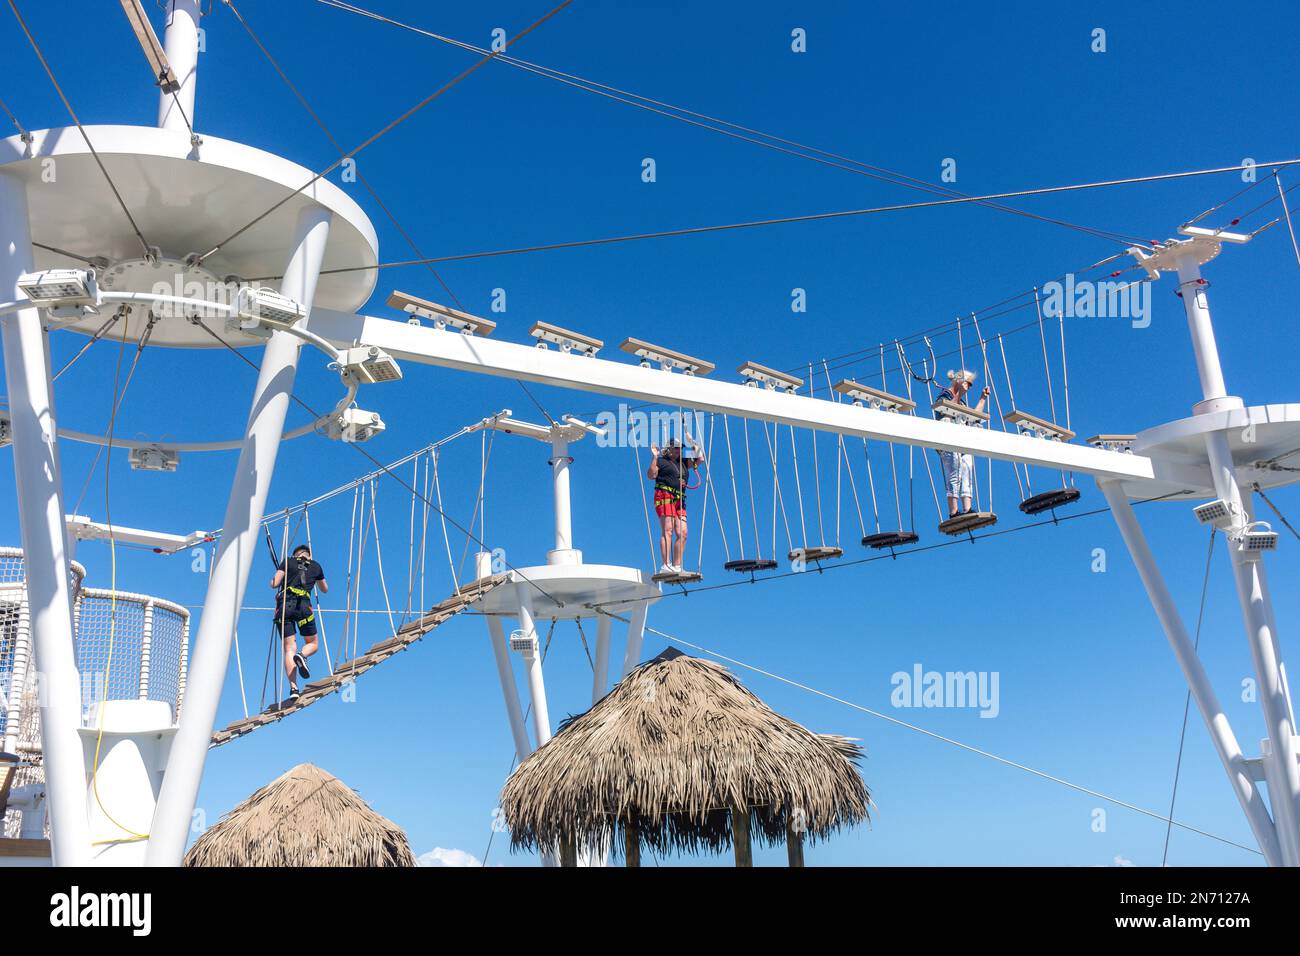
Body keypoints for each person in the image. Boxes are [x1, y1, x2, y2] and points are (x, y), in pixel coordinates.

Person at [270, 544, 328, 700]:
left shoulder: (288, 561)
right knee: (313, 643)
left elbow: (275, 583)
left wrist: (278, 578)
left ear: (295, 554)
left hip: (284, 606)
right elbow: (325, 589)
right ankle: (302, 655)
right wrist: (314, 577)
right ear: (308, 555)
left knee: (289, 648)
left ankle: (294, 689)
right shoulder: (316, 566)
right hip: (303, 606)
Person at [933, 369, 990, 518]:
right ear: (958, 380)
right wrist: (959, 393)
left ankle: (967, 508)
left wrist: (982, 398)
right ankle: (953, 511)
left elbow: (973, 417)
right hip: (949, 440)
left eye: (970, 385)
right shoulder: (945, 395)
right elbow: (948, 409)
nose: (969, 387)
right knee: (954, 472)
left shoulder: (962, 402)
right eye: (968, 383)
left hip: (963, 440)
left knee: (967, 469)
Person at [647, 436, 704, 575]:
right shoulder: (661, 461)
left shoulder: (684, 463)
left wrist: (691, 442)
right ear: (669, 449)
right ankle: (666, 565)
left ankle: (677, 566)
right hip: (665, 495)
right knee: (668, 530)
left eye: (680, 448)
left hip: (680, 500)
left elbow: (700, 458)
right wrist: (655, 457)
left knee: (683, 532)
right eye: (676, 448)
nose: (679, 450)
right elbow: (651, 475)